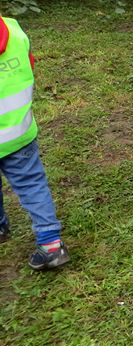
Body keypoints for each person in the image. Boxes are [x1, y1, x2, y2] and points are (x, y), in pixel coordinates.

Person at [0, 15, 70, 270]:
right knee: (31, 184)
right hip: (18, 131)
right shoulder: (14, 29)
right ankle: (51, 243)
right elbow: (28, 66)